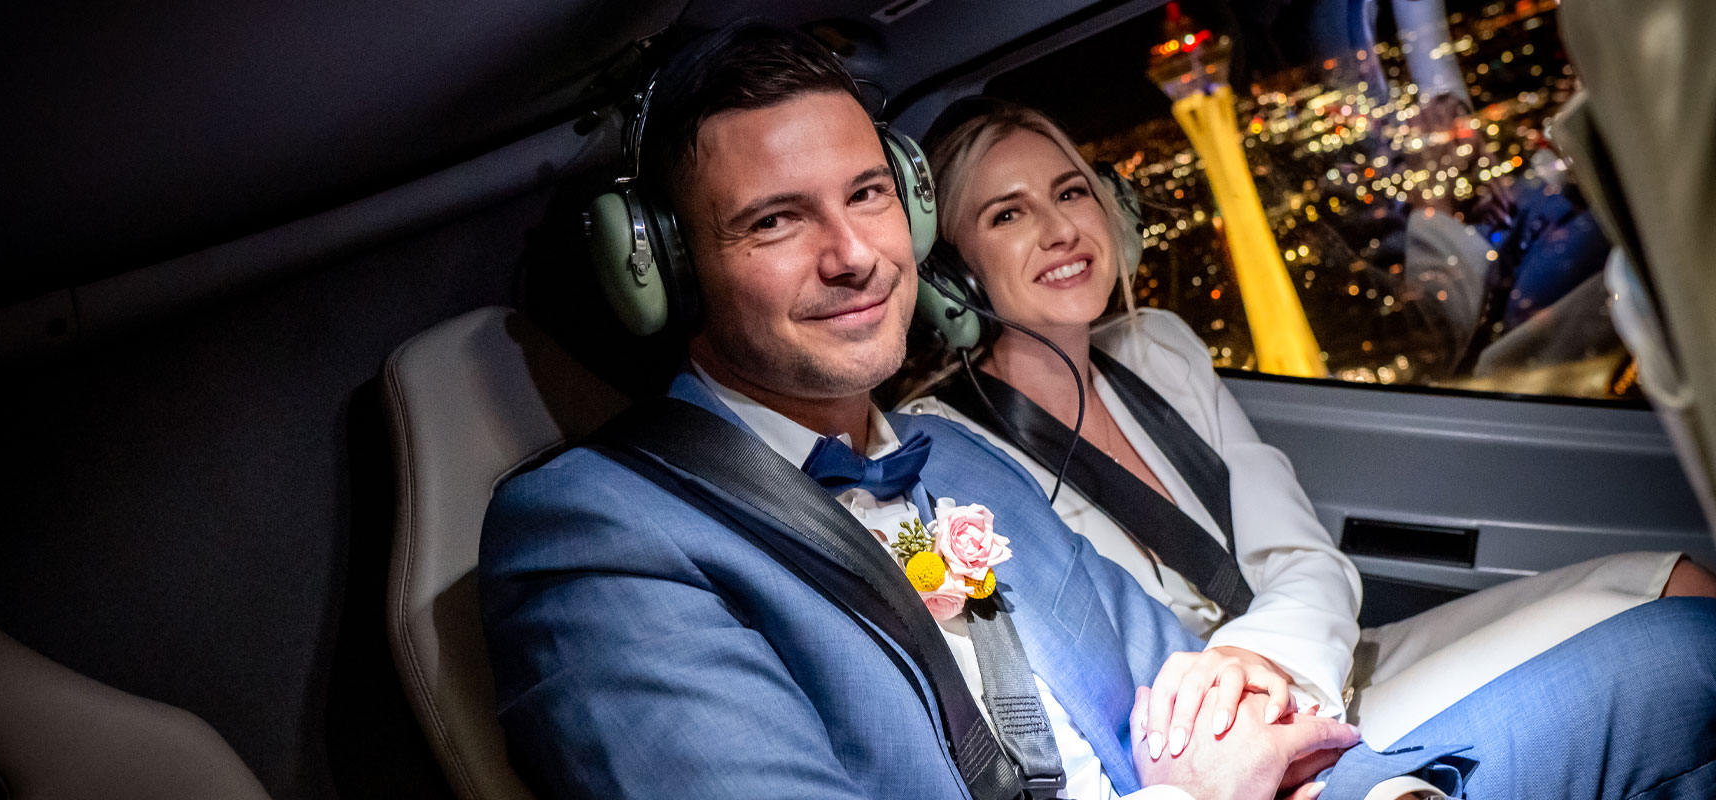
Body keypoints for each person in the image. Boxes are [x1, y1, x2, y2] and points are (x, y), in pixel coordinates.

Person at [479, 22, 1716, 800]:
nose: (856, 255)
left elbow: (1192, 689)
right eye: (773, 220)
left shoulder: (958, 472)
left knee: (1689, 661)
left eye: (866, 195)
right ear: (671, 270)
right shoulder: (598, 535)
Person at [891, 96, 1716, 750]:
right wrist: (1245, 683)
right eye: (1007, 215)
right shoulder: (948, 454)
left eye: (1070, 192)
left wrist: (1266, 654)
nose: (1062, 229)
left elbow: (1301, 556)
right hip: (1238, 730)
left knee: (1675, 578)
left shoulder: (1158, 348)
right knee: (1685, 647)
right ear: (955, 277)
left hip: (1315, 657)